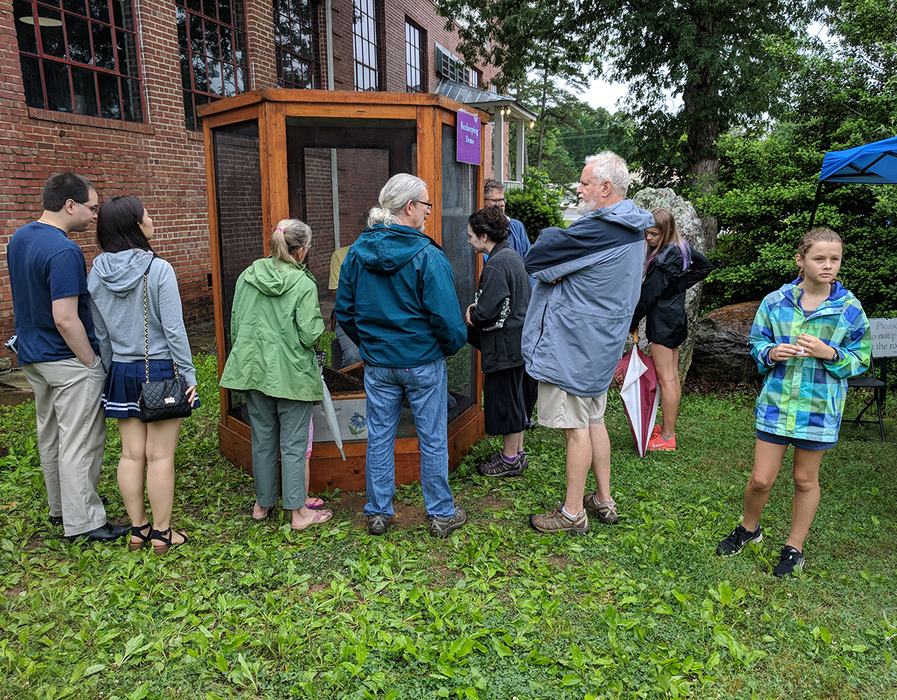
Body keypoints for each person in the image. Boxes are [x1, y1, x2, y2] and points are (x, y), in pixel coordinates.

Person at [716, 227, 870, 577]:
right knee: (760, 479)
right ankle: (749, 529)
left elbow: (860, 359)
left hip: (818, 411)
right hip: (777, 407)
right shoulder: (775, 302)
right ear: (800, 260)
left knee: (804, 479)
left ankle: (794, 547)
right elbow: (756, 345)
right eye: (819, 258)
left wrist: (829, 352)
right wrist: (772, 352)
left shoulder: (848, 309)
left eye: (835, 259)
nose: (828, 265)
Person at [523, 152, 653, 534]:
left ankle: (572, 512)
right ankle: (603, 498)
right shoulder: (632, 229)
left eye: (584, 183)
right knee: (595, 419)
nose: (578, 189)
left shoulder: (600, 231)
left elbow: (538, 257)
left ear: (606, 188)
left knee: (576, 427)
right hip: (601, 344)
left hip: (574, 347)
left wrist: (554, 244)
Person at [335, 173, 468, 538]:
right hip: (422, 361)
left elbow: (344, 311)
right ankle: (440, 513)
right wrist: (448, 346)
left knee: (379, 436)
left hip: (379, 363)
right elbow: (447, 318)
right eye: (426, 205)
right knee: (433, 437)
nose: (428, 212)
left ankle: (378, 511)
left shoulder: (357, 254)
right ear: (409, 207)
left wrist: (370, 345)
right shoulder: (427, 255)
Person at [7, 173, 128, 542]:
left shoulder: (20, 238)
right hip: (66, 358)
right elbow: (65, 316)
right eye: (92, 208)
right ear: (70, 205)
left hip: (32, 356)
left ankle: (63, 507)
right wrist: (90, 360)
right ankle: (86, 523)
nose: (95, 216)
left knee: (52, 434)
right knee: (81, 439)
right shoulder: (64, 251)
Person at [88, 195, 198, 553]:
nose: (151, 219)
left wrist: (110, 371)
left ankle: (138, 530)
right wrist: (189, 375)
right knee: (160, 456)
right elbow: (175, 329)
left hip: (121, 369)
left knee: (131, 455)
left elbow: (102, 334)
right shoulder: (159, 269)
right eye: (146, 215)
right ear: (134, 226)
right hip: (161, 368)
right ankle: (163, 535)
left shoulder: (96, 272)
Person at [219, 220, 332, 530]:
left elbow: (236, 325)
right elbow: (309, 334)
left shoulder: (248, 276)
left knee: (263, 439)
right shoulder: (303, 283)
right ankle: (298, 513)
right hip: (292, 374)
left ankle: (262, 503)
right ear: (302, 250)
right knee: (294, 444)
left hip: (253, 369)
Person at [629, 208, 712, 451]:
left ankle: (667, 436)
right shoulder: (681, 248)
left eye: (654, 234)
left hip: (662, 323)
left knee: (667, 380)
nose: (648, 239)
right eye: (646, 233)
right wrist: (677, 286)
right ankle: (668, 430)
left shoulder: (663, 259)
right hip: (675, 319)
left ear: (666, 232)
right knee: (672, 378)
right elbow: (703, 266)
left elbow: (647, 298)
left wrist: (631, 322)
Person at [464, 206, 532, 477]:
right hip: (518, 342)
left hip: (503, 346)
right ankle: (516, 454)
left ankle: (508, 459)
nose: (468, 241)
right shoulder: (511, 256)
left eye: (471, 236)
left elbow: (488, 310)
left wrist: (472, 314)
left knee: (505, 404)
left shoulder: (495, 264)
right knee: (515, 401)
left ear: (483, 236)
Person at [484, 179, 537, 425]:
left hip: (518, 307)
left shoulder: (517, 228)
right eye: (495, 200)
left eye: (502, 200)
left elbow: (529, 265)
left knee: (522, 365)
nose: (501, 205)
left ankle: (524, 413)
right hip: (491, 308)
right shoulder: (478, 230)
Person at [328, 245, 361, 367]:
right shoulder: (340, 255)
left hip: (378, 319)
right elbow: (336, 293)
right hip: (348, 317)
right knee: (353, 355)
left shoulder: (386, 256)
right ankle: (352, 384)